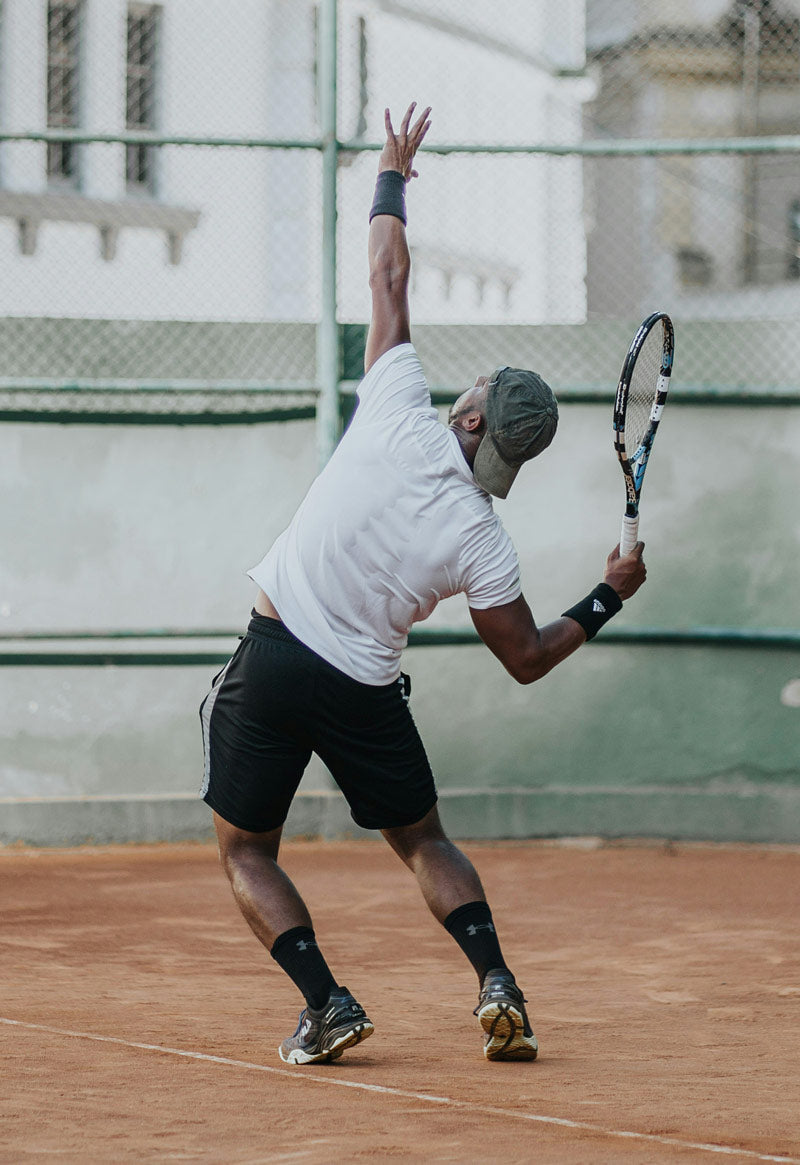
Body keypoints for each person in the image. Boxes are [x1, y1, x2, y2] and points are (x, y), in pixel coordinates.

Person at [199, 103, 647, 1066]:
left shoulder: (399, 403)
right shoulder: (485, 539)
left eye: (476, 393)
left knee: (245, 849)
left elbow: (388, 270)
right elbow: (525, 657)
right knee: (423, 840)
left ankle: (327, 1004)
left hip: (275, 657)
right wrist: (607, 594)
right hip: (362, 688)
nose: (468, 393)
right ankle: (497, 981)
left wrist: (391, 175)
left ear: (474, 414)